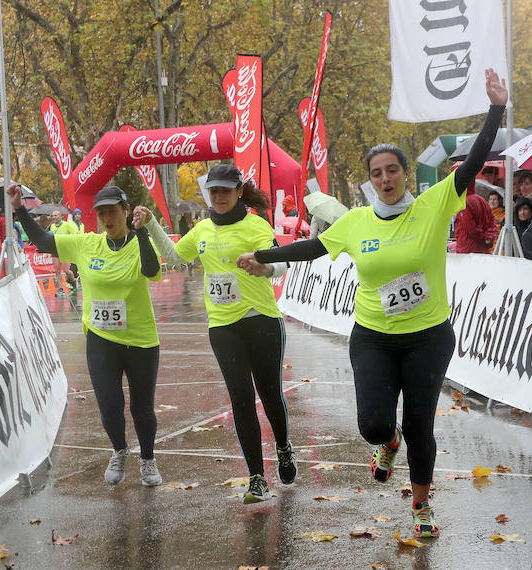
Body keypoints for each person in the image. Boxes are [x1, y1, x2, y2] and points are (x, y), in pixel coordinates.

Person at [237, 69, 508, 538]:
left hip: (428, 336)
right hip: (374, 337)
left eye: (392, 170)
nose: (385, 179)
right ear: (371, 180)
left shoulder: (435, 203)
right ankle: (387, 443)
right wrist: (264, 256)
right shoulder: (357, 221)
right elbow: (313, 249)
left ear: (405, 174)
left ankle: (421, 506)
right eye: (377, 173)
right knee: (373, 423)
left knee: (421, 424)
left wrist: (496, 108)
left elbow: (474, 161)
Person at [142, 164, 296, 504]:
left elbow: (282, 261)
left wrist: (264, 266)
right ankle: (257, 477)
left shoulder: (255, 224)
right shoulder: (201, 230)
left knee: (269, 394)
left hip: (261, 320)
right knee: (241, 399)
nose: (219, 196)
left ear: (239, 191)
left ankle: (284, 447)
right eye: (214, 191)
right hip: (223, 326)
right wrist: (152, 224)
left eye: (226, 190)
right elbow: (173, 258)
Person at [9, 183, 165, 487]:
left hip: (141, 340)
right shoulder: (87, 243)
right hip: (101, 339)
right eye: (102, 213)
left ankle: (148, 458)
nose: (107, 218)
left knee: (141, 408)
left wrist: (143, 232)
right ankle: (120, 450)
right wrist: (19, 209)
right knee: (109, 404)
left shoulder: (139, 242)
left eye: (112, 211)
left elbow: (152, 271)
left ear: (125, 211)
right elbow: (43, 240)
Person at [454, 184, 498, 253]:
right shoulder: (482, 200)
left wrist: (482, 239)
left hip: (467, 250)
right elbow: (492, 222)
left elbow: (470, 228)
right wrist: (488, 238)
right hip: (482, 250)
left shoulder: (463, 203)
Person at [49, 209, 77, 297]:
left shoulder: (67, 225)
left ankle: (73, 282)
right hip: (55, 250)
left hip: (65, 250)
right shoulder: (52, 226)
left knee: (66, 270)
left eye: (56, 215)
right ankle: (61, 289)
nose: (53, 217)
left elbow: (75, 234)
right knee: (57, 270)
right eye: (52, 215)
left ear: (61, 216)